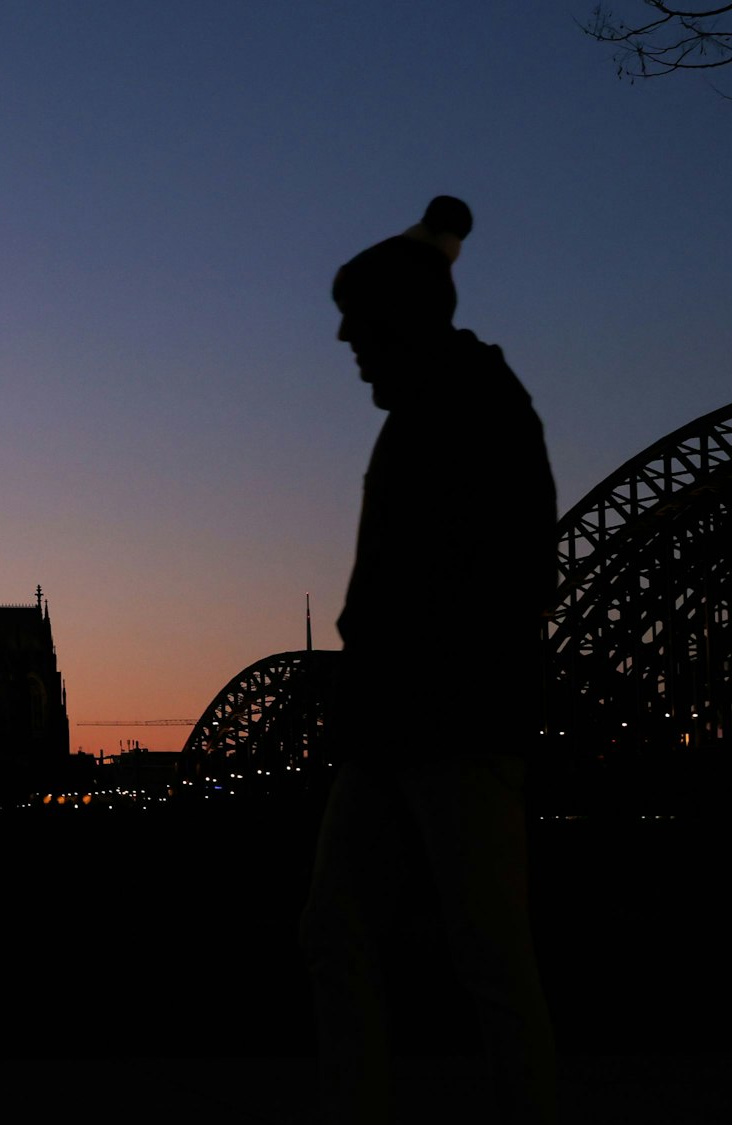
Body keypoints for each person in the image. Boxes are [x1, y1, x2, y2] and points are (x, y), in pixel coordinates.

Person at [300, 197, 559, 1125]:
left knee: (482, 954)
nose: (343, 339)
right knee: (343, 936)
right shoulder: (431, 405)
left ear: (400, 320)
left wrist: (416, 667)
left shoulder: (475, 405)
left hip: (451, 724)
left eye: (358, 321)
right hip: (394, 727)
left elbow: (521, 571)